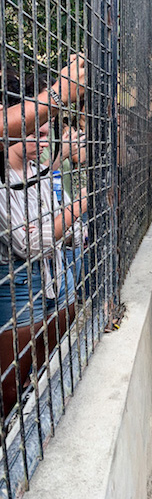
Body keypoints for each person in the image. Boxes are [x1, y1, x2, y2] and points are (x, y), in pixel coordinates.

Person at [0, 60, 87, 418]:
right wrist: (81, 205)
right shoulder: (6, 179)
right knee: (14, 382)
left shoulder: (39, 171)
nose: (45, 135)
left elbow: (73, 236)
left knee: (50, 362)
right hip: (19, 283)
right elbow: (26, 244)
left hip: (53, 275)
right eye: (37, 126)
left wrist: (61, 223)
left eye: (47, 127)